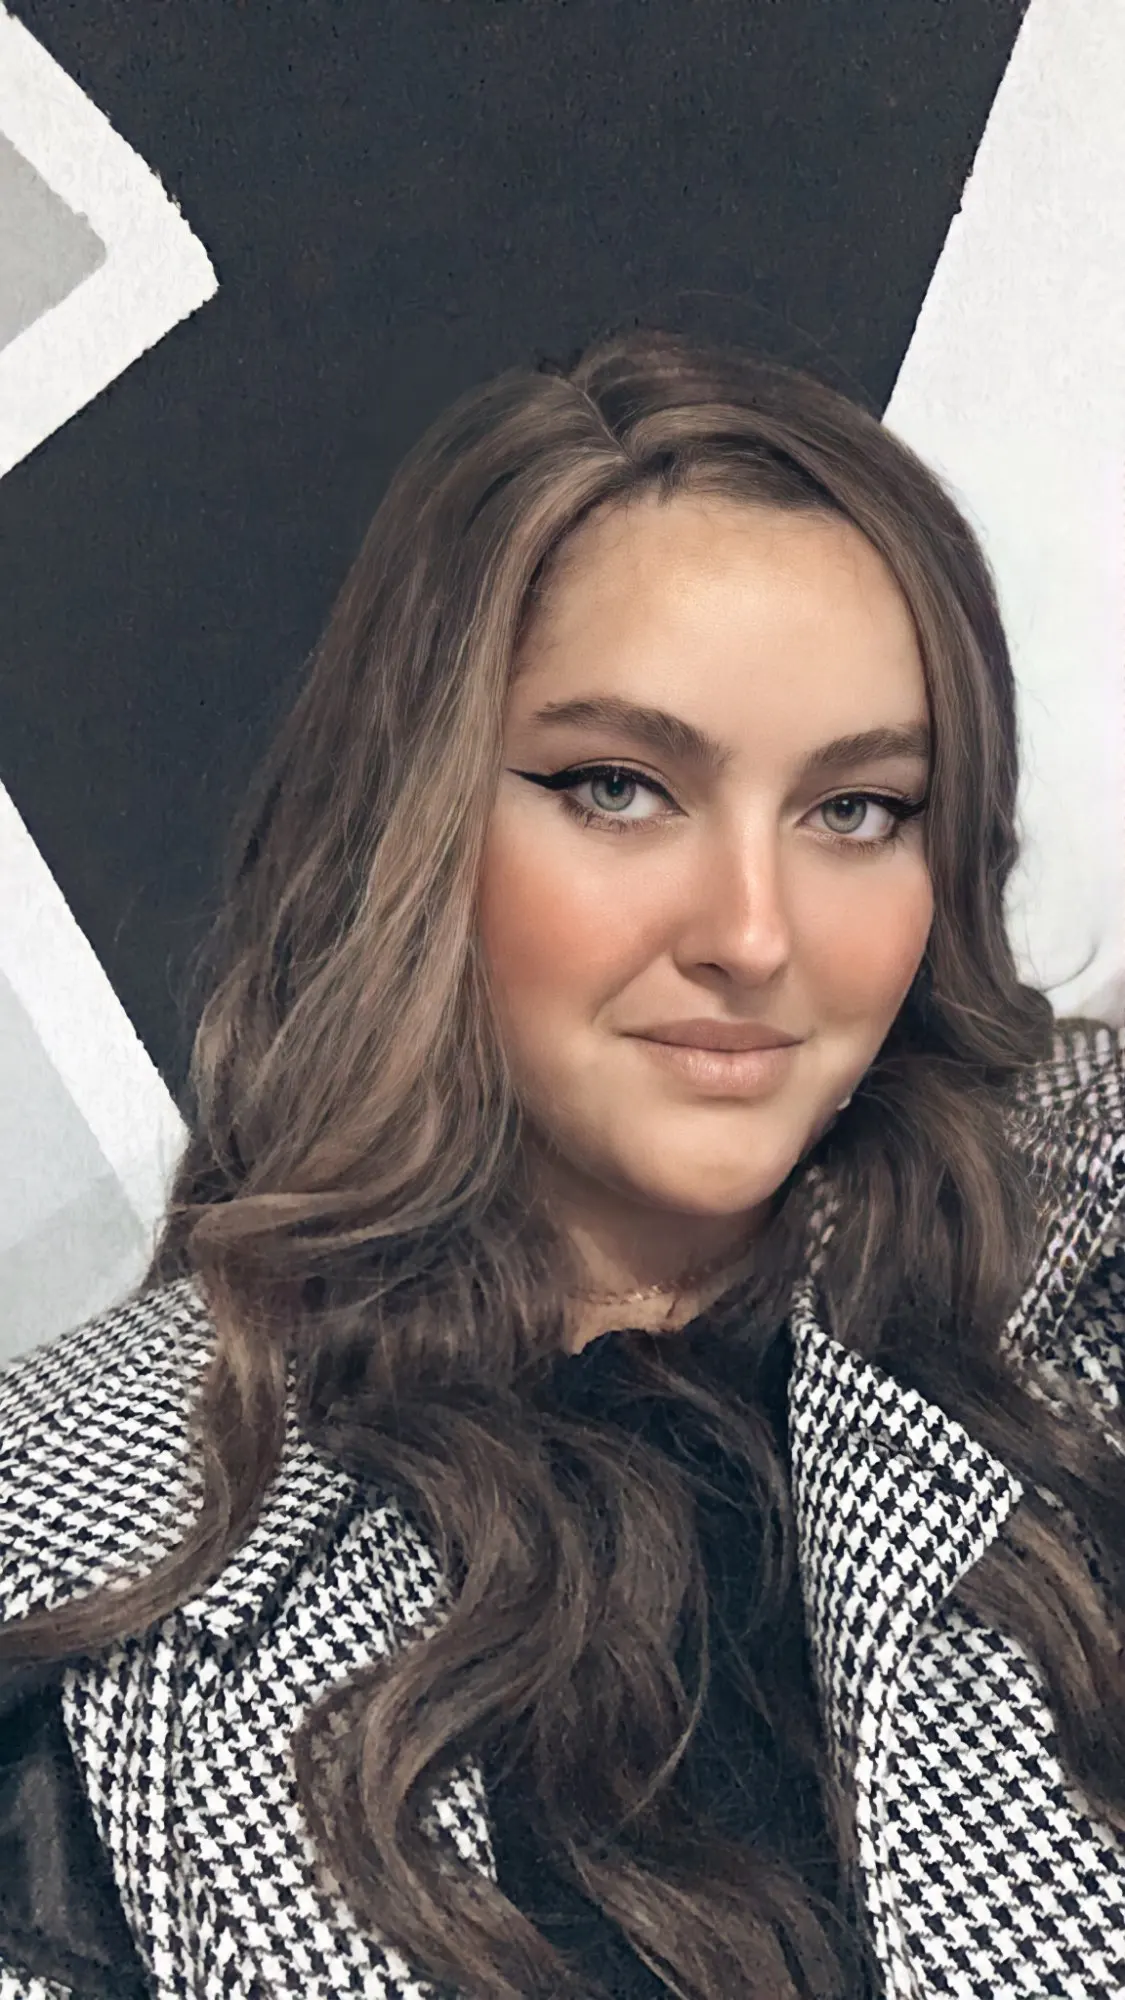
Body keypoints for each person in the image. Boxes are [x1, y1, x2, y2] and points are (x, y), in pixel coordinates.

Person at [0, 327, 1123, 2000]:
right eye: (621, 787)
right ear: (422, 822)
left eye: (857, 810)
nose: (753, 935)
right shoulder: (88, 1554)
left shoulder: (1073, 1311)